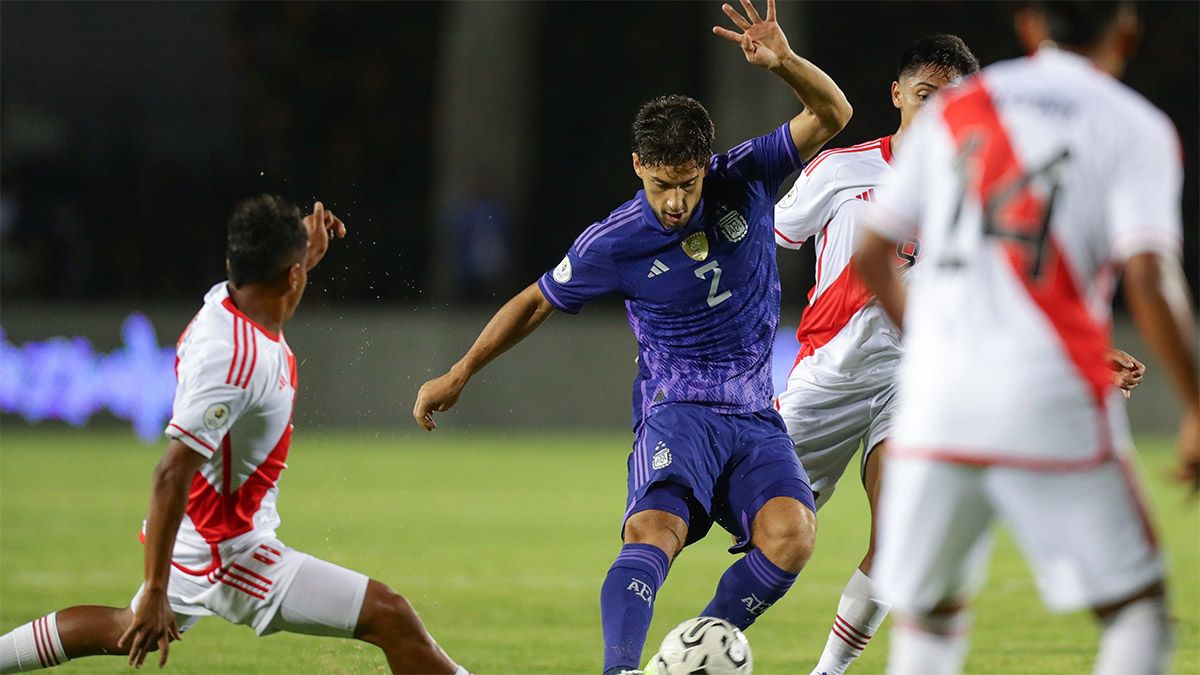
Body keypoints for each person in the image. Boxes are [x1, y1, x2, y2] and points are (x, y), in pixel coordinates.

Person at [413, 2, 851, 672]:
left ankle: (689, 654)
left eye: (686, 183)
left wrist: (785, 63)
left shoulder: (744, 175)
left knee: (792, 536)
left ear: (705, 163)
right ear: (637, 164)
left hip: (755, 414)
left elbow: (833, 115)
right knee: (653, 532)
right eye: (659, 185)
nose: (674, 201)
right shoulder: (615, 240)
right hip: (676, 409)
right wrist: (461, 370)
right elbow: (536, 300)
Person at [773, 35, 1146, 675]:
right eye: (924, 95)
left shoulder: (989, 192)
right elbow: (767, 244)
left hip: (921, 383)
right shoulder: (840, 169)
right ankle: (696, 636)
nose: (939, 109)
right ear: (897, 95)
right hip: (826, 376)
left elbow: (1018, 290)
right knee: (756, 530)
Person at [853, 3, 1199, 674]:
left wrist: (931, 353)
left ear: (1029, 25)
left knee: (927, 620)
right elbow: (1151, 274)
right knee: (1137, 613)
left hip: (936, 401)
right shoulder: (1134, 126)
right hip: (1049, 391)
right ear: (1125, 32)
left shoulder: (954, 110)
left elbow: (873, 253)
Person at [0, 196, 469, 675]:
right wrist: (157, 590)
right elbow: (169, 472)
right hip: (227, 551)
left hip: (199, 529)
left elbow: (274, 274)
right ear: (290, 276)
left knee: (125, 626)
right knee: (391, 616)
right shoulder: (233, 360)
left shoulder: (231, 296)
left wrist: (301, 249)